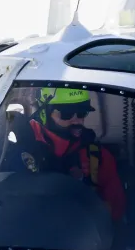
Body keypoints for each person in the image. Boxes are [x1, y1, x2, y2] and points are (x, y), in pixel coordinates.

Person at [21, 87, 126, 221]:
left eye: (82, 113)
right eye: (66, 113)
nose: (76, 121)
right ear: (44, 113)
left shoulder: (96, 156)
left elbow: (116, 208)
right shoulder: (17, 146)